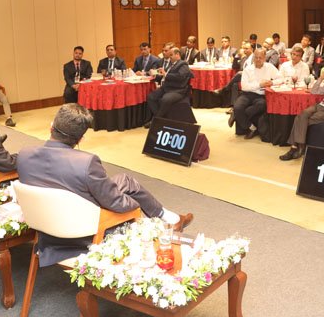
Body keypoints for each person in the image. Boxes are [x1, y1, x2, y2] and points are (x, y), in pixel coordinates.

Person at [16, 103, 193, 267]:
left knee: (124, 181)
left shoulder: (24, 155)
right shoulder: (85, 163)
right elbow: (117, 204)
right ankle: (169, 218)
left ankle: (170, 218)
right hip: (85, 230)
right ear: (81, 139)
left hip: (45, 224)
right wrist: (136, 205)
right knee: (126, 194)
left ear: (51, 127)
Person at [232, 48, 278, 139]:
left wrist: (272, 82)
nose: (257, 60)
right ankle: (251, 127)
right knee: (237, 107)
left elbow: (281, 78)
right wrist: (259, 85)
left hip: (261, 95)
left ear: (264, 58)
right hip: (247, 94)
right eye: (256, 57)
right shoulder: (248, 69)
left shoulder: (269, 67)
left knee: (262, 105)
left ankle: (236, 115)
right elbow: (244, 86)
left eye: (260, 58)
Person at [145, 47, 193, 127]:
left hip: (178, 90)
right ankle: (161, 119)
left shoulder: (183, 64)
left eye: (171, 55)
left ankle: (156, 121)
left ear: (177, 54)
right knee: (150, 97)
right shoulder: (171, 64)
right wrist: (155, 75)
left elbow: (180, 77)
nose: (169, 57)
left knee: (165, 99)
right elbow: (165, 76)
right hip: (166, 87)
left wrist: (165, 74)